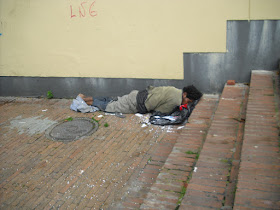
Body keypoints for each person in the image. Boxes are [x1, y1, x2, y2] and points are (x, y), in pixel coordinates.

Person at [78, 85, 202, 114]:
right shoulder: (175, 101)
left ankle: (84, 98)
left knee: (113, 100)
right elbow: (159, 111)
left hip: (138, 95)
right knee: (110, 107)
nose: (187, 103)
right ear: (185, 95)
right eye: (188, 101)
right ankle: (83, 101)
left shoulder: (175, 90)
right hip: (136, 104)